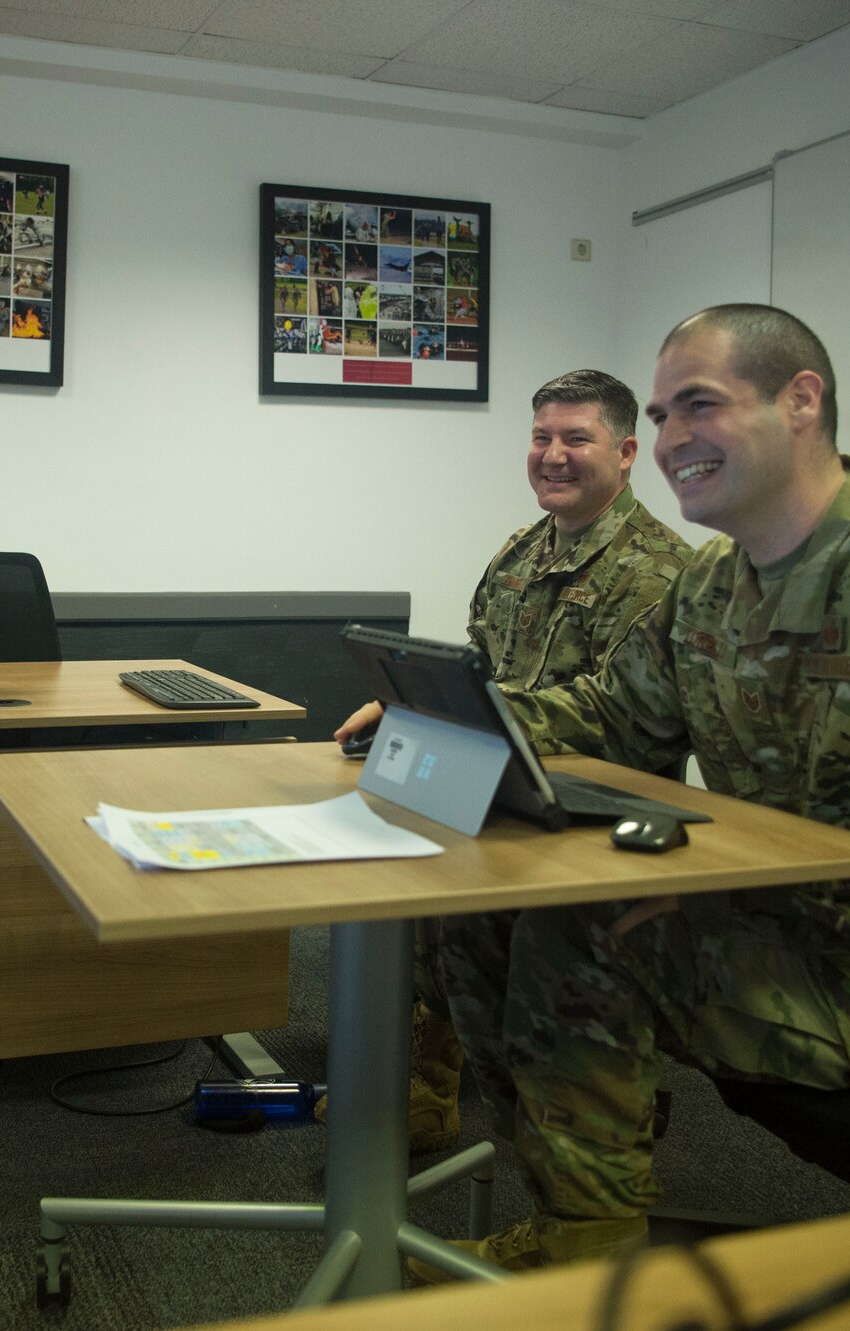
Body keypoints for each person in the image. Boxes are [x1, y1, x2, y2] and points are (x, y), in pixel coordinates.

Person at [422, 304, 850, 1278]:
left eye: (700, 405)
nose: (672, 439)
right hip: (791, 930)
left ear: (799, 401)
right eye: (660, 413)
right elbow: (608, 712)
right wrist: (451, 714)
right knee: (489, 914)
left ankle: (583, 1270)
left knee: (580, 941)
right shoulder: (714, 587)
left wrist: (729, 885)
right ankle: (570, 1220)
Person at [325, 369, 693, 1153]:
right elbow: (480, 667)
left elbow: (613, 716)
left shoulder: (657, 572)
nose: (552, 456)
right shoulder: (522, 553)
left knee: (479, 927)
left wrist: (462, 718)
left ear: (626, 452)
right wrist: (409, 705)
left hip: (596, 821)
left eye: (575, 439)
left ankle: (576, 1158)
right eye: (540, 438)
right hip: (509, 788)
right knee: (406, 871)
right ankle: (431, 1085)